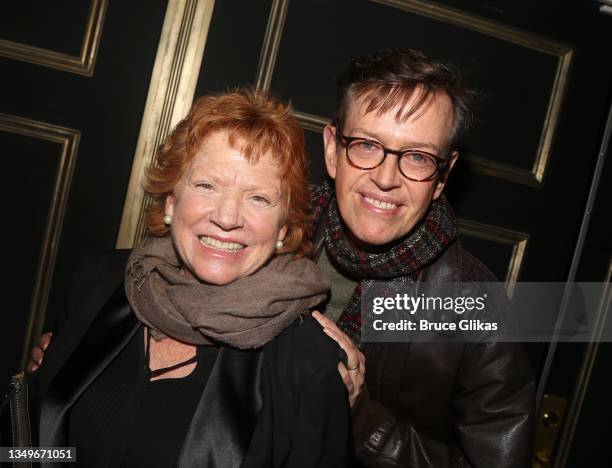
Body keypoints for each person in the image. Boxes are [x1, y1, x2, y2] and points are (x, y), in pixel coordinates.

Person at [27, 88, 352, 467]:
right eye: (206, 185)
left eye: (258, 198)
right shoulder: (100, 282)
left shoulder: (307, 364)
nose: (227, 217)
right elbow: (33, 442)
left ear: (284, 227)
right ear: (170, 199)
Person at [309, 48, 535, 467]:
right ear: (331, 151)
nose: (385, 178)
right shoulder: (270, 240)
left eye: (416, 156)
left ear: (442, 177)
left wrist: (363, 420)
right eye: (366, 145)